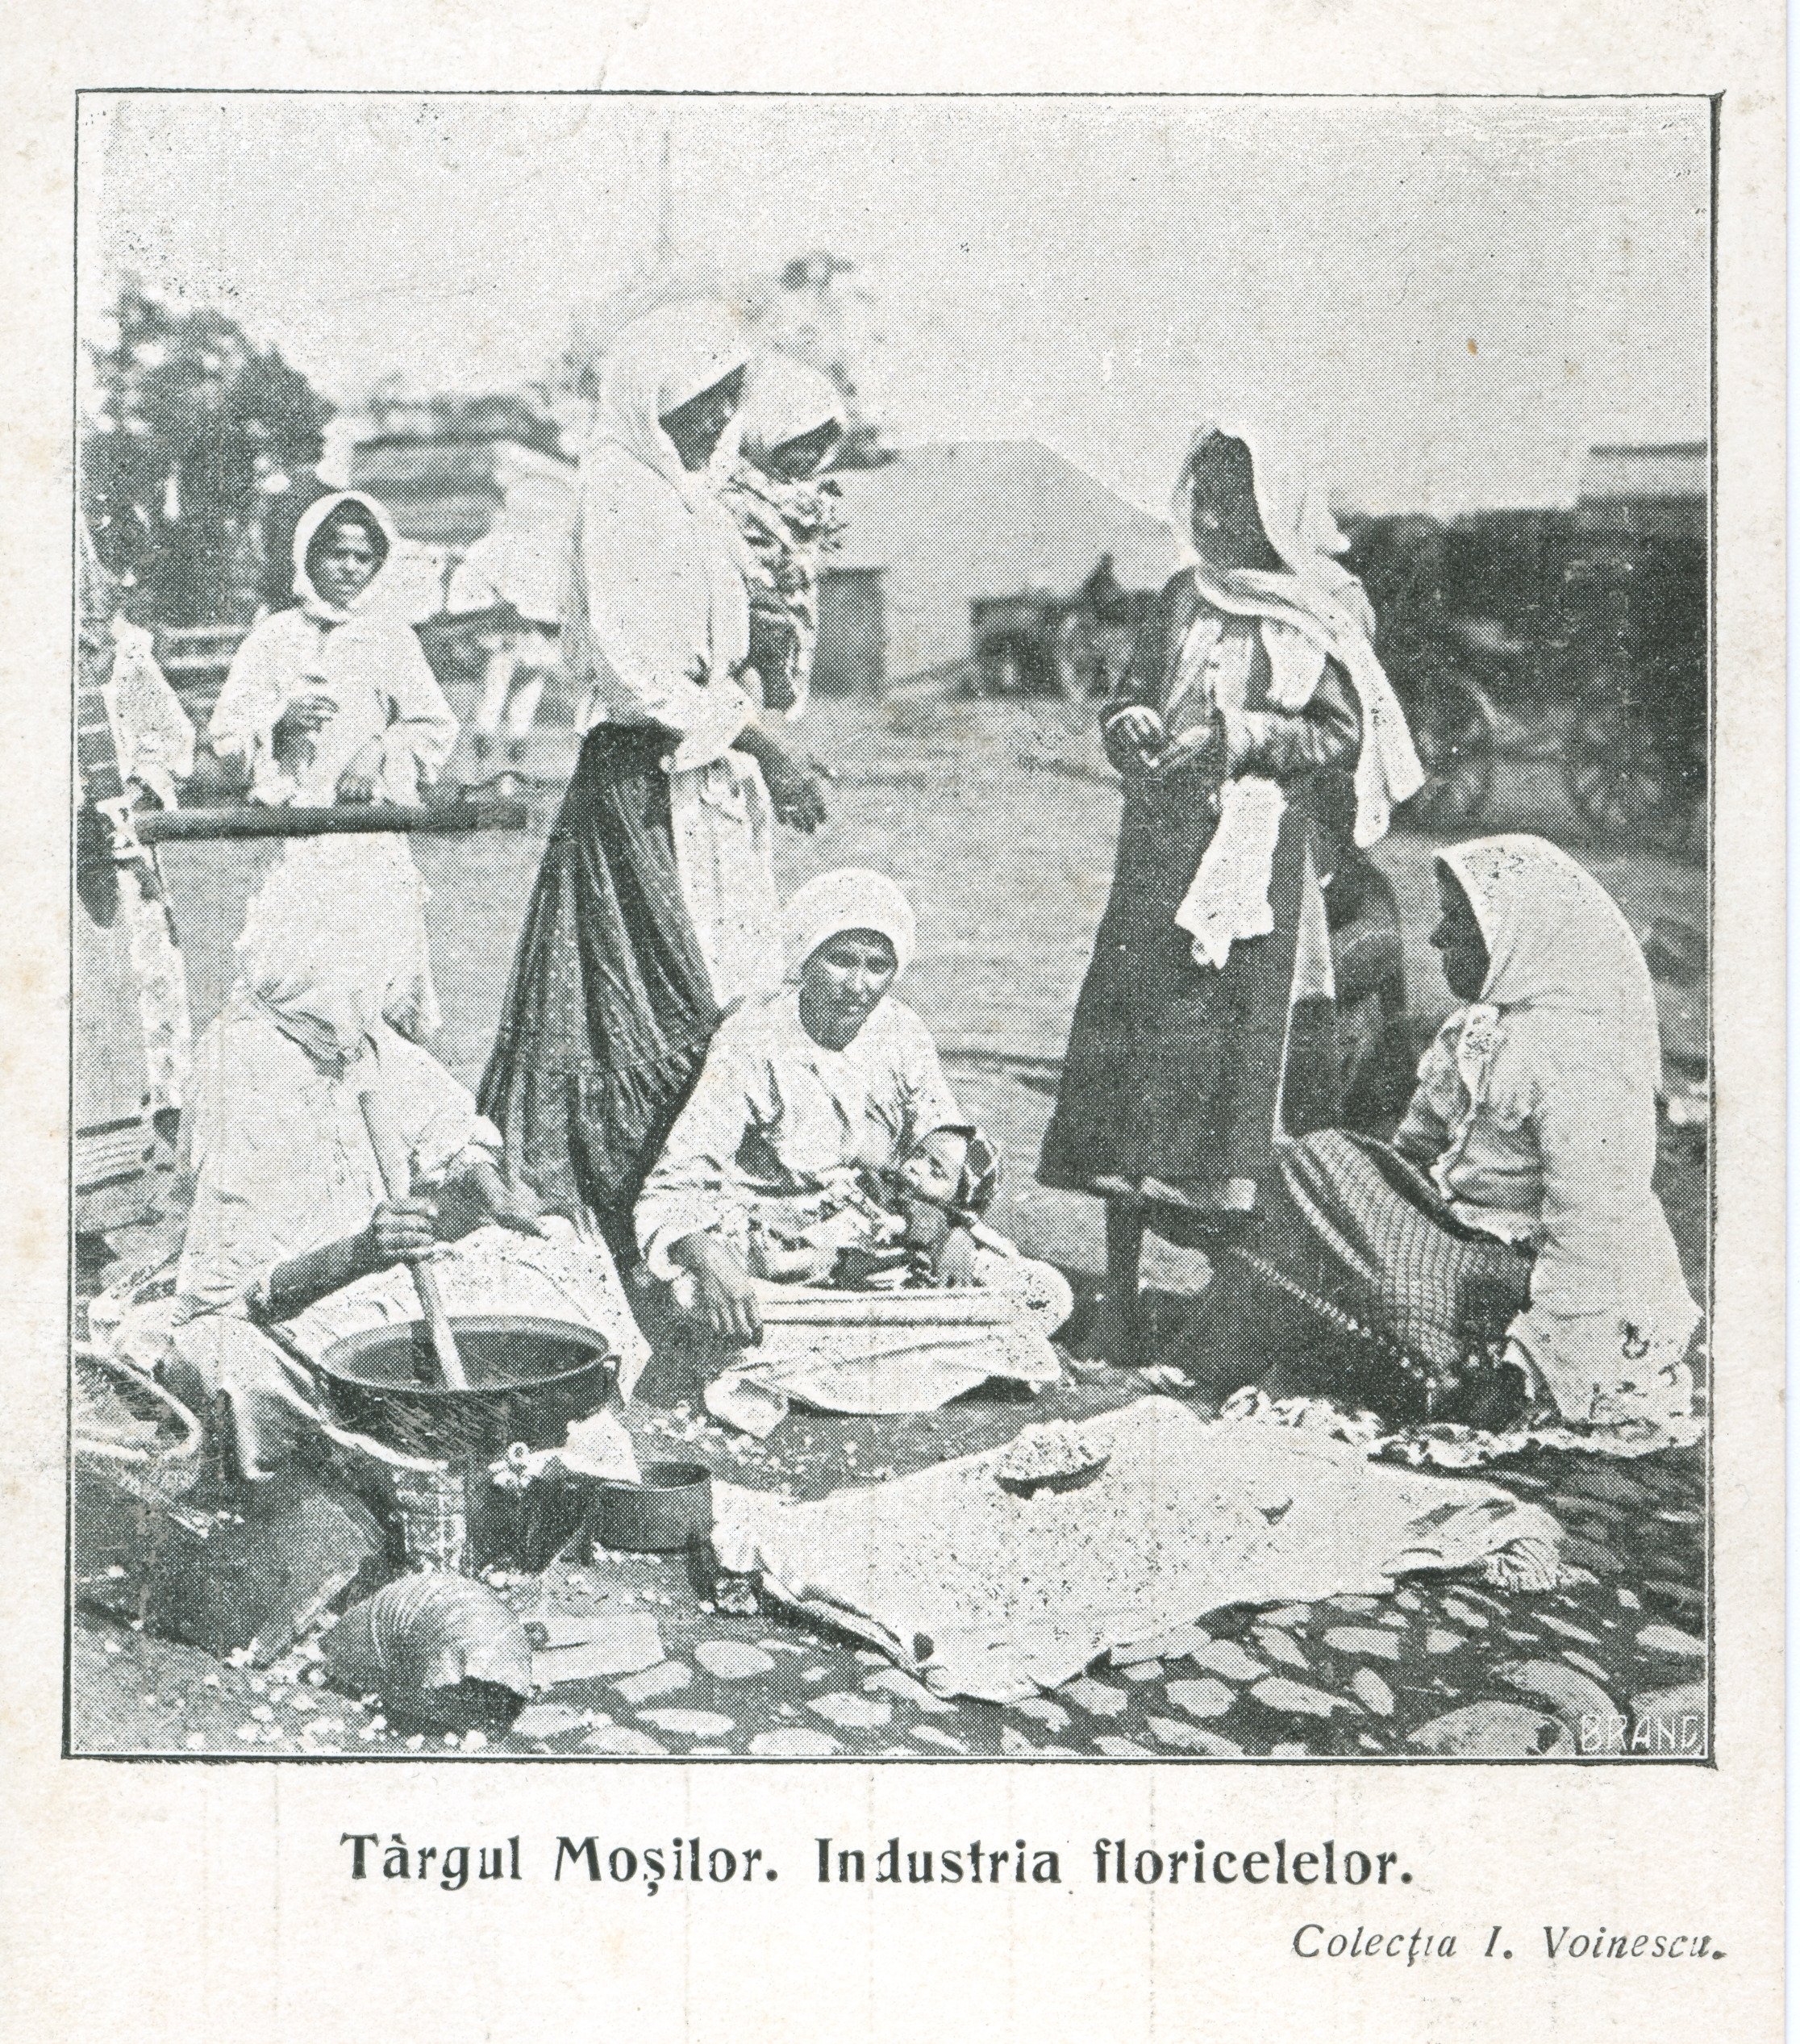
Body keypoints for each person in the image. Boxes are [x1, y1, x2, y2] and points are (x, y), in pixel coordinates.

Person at [1038, 423, 1422, 1362]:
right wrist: (1129, 724)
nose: (1210, 522)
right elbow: (1130, 693)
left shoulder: (1321, 612)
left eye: (1234, 505)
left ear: (1277, 512)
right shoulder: (1179, 598)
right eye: (1199, 501)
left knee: (1230, 1075)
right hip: (1159, 855)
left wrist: (1240, 736)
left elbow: (1343, 735)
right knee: (1133, 1059)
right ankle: (1120, 1299)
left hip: (1257, 865)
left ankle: (1230, 1300)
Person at [478, 302, 827, 1260]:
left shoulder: (696, 504)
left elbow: (722, 662)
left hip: (709, 781)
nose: (713, 424)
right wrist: (760, 742)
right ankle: (633, 1223)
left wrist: (768, 652)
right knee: (653, 998)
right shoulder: (620, 493)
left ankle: (710, 1212)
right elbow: (634, 670)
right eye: (693, 405)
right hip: (644, 786)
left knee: (732, 981)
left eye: (726, 402)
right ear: (647, 401)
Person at [158, 840, 646, 1482]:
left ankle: (480, 1440)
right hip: (291, 1307)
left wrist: (487, 1187)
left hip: (378, 1283)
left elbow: (450, 1125)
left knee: (561, 1250)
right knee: (224, 1364)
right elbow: (229, 1298)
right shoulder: (246, 1065)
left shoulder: (359, 1040)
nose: (382, 982)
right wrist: (360, 1250)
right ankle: (348, 1478)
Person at [1216, 835, 1701, 1435]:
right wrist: (1361, 1206)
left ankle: (1455, 1365)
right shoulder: (1474, 1031)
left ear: (1512, 940)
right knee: (1306, 1162)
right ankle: (1382, 1321)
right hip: (1455, 1237)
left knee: (1370, 1256)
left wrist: (1531, 1359)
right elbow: (1412, 1155)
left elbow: (1591, 1229)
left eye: (1458, 925)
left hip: (1531, 1275)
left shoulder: (1580, 1059)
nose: (1436, 939)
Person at [635, 870, 1070, 1430]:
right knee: (706, 1300)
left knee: (1041, 1293)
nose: (858, 985)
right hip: (781, 1254)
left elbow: (946, 1145)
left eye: (878, 965)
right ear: (805, 957)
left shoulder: (904, 1033)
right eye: (840, 959)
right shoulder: (752, 1039)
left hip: (884, 1242)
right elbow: (675, 1184)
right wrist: (710, 1256)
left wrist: (954, 1226)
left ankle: (839, 1360)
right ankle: (932, 1354)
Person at [209, 489, 459, 1037]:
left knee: (373, 988)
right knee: (296, 988)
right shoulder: (273, 639)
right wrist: (278, 721)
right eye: (336, 553)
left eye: (363, 556)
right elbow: (226, 739)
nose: (348, 568)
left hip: (370, 835)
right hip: (295, 836)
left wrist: (380, 752)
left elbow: (434, 725)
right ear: (309, 556)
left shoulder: (392, 638)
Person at [720, 357, 847, 715]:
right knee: (746, 694)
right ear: (768, 433)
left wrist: (805, 560)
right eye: (800, 443)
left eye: (820, 447)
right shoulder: (734, 488)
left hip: (790, 608)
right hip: (751, 611)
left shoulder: (800, 495)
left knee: (778, 697)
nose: (812, 457)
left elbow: (809, 551)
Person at [445, 525, 566, 770]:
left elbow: (549, 611)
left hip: (531, 640)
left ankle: (509, 766)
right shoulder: (506, 553)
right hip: (509, 640)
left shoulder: (546, 562)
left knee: (520, 702)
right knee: (495, 698)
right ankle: (485, 761)